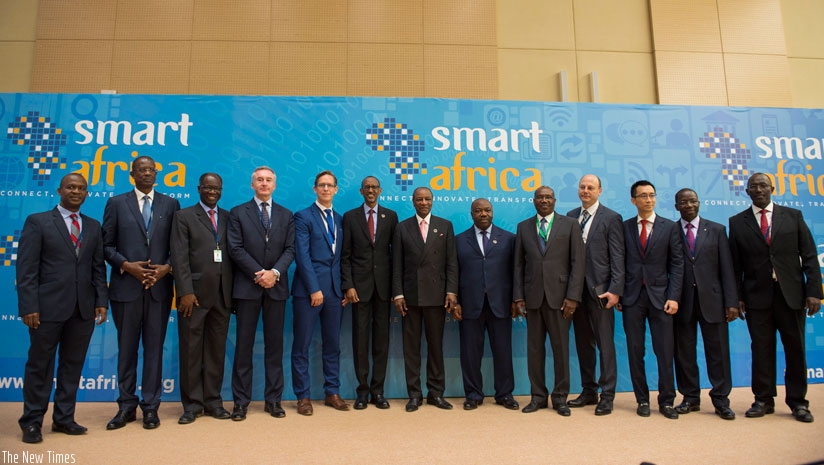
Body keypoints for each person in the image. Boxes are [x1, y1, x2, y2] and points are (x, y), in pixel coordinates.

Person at [16, 173, 108, 444]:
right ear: (60, 190)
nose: (76, 191)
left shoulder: (93, 226)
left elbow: (97, 268)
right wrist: (29, 306)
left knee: (72, 366)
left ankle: (64, 418)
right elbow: (27, 268)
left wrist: (101, 301)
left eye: (81, 188)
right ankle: (32, 422)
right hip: (46, 310)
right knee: (40, 366)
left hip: (82, 310)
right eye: (71, 187)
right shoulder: (38, 222)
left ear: (86, 193)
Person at [728, 172, 822, 423]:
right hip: (757, 298)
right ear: (746, 192)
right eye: (753, 187)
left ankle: (798, 402)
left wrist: (814, 292)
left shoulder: (793, 216)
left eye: (763, 186)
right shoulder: (737, 222)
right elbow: (735, 266)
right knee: (761, 350)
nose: (758, 190)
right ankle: (763, 399)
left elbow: (810, 256)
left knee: (796, 349)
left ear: (772, 188)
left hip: (791, 295)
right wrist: (736, 297)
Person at [103, 156, 180, 430]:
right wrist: (126, 266)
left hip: (159, 291)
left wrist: (166, 268)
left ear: (156, 174)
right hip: (126, 289)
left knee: (154, 350)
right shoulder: (116, 203)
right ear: (132, 174)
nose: (147, 173)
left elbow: (178, 247)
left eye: (151, 170)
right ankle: (126, 406)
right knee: (126, 350)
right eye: (141, 170)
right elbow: (106, 245)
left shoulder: (170, 204)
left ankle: (150, 407)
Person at [227, 166, 295, 420]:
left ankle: (273, 400)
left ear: (274, 185)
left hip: (276, 289)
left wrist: (274, 273)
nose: (264, 184)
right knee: (243, 347)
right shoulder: (237, 213)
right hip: (248, 289)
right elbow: (235, 249)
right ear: (252, 184)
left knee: (274, 347)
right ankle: (241, 402)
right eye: (259, 180)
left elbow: (290, 249)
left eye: (268, 180)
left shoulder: (287, 215)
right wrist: (259, 273)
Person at [514, 185, 585, 417]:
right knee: (534, 350)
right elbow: (518, 266)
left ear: (554, 201)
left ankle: (560, 397)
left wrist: (573, 296)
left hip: (561, 298)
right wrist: (518, 296)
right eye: (539, 197)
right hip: (533, 297)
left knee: (560, 349)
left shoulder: (570, 224)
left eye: (548, 197)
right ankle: (538, 396)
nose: (544, 201)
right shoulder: (523, 227)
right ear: (533, 201)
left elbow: (578, 263)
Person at [170, 173, 233, 424]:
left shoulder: (229, 217)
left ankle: (213, 402)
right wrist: (184, 291)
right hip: (193, 296)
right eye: (207, 187)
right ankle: (192, 405)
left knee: (216, 351)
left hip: (222, 295)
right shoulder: (183, 216)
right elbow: (179, 256)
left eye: (216, 187)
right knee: (191, 350)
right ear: (198, 189)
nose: (212, 191)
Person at [672, 188, 738, 420]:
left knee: (718, 352)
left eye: (693, 201)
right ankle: (690, 397)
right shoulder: (670, 231)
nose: (689, 205)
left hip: (713, 301)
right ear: (676, 206)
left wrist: (731, 302)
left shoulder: (717, 230)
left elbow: (727, 269)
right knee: (684, 353)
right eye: (683, 202)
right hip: (683, 303)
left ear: (699, 203)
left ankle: (721, 399)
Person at [620, 180, 683, 419]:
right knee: (635, 351)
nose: (648, 199)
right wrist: (619, 292)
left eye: (652, 195)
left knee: (664, 351)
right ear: (633, 200)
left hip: (662, 298)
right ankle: (642, 400)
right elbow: (619, 262)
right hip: (632, 298)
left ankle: (667, 401)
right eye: (643, 196)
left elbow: (677, 264)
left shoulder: (670, 227)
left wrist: (674, 296)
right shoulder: (624, 227)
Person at [392, 186, 459, 412]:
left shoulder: (445, 226)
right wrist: (398, 293)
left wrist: (451, 291)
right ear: (413, 202)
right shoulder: (402, 228)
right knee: (411, 348)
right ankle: (414, 394)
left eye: (427, 199)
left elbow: (452, 263)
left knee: (435, 347)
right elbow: (397, 265)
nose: (423, 202)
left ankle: (436, 393)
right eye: (419, 199)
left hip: (437, 296)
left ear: (433, 201)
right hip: (409, 297)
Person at [565, 174, 625, 416]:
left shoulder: (611, 218)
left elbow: (618, 257)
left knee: (605, 345)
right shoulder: (569, 217)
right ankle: (589, 391)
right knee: (583, 345)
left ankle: (607, 394)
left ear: (600, 191)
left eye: (591, 188)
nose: (585, 191)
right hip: (576, 294)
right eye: (582, 187)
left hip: (602, 292)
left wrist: (616, 290)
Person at [291, 170, 349, 415]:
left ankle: (332, 391)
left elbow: (342, 257)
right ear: (315, 189)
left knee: (332, 344)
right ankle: (303, 396)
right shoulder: (302, 217)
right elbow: (302, 256)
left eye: (330, 185)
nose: (326, 189)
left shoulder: (339, 218)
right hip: (308, 292)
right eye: (321, 185)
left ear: (336, 189)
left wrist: (343, 287)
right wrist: (314, 288)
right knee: (302, 345)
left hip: (335, 292)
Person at [455, 198, 519, 411]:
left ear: (493, 212)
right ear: (471, 214)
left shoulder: (509, 239)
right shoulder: (459, 240)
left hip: (500, 304)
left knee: (503, 351)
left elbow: (516, 272)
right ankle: (473, 394)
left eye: (487, 210)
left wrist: (515, 299)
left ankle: (505, 394)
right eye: (478, 211)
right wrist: (454, 300)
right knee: (470, 353)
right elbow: (453, 273)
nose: (483, 214)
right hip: (469, 304)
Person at [341, 176, 398, 410]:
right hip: (359, 289)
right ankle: (362, 392)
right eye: (367, 187)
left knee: (382, 342)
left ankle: (378, 391)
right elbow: (344, 255)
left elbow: (396, 256)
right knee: (360, 341)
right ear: (361, 191)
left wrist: (396, 291)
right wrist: (349, 285)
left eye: (375, 187)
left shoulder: (391, 217)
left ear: (380, 190)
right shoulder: (350, 217)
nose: (371, 191)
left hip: (383, 290)